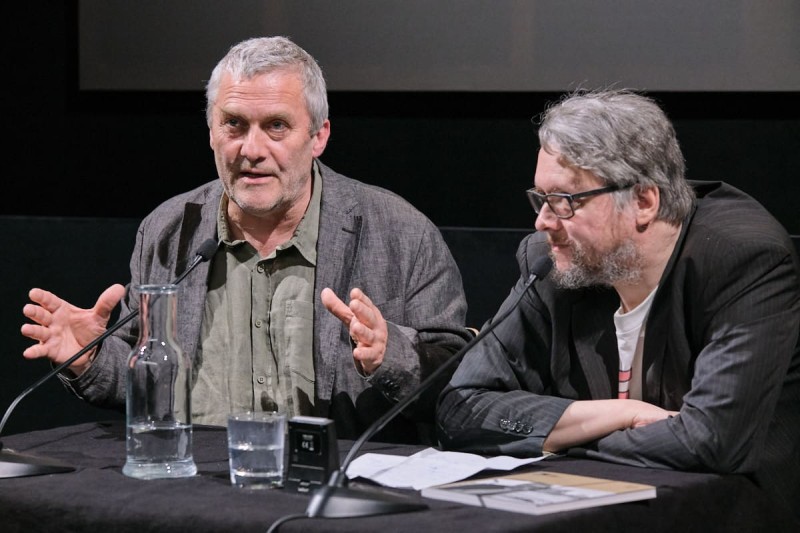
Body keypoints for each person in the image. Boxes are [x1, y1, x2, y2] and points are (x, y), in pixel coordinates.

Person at [20, 36, 469, 444]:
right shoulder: (168, 231)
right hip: (200, 493)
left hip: (339, 496)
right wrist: (92, 357)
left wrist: (390, 356)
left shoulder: (400, 233)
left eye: (276, 126)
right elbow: (147, 383)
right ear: (212, 132)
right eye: (234, 124)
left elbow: (457, 386)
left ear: (318, 137)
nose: (251, 150)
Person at [436, 89, 800, 518]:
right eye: (541, 198)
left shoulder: (743, 259)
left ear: (644, 201)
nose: (543, 222)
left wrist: (561, 434)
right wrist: (618, 414)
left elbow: (710, 440)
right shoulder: (554, 265)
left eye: (565, 201)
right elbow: (460, 406)